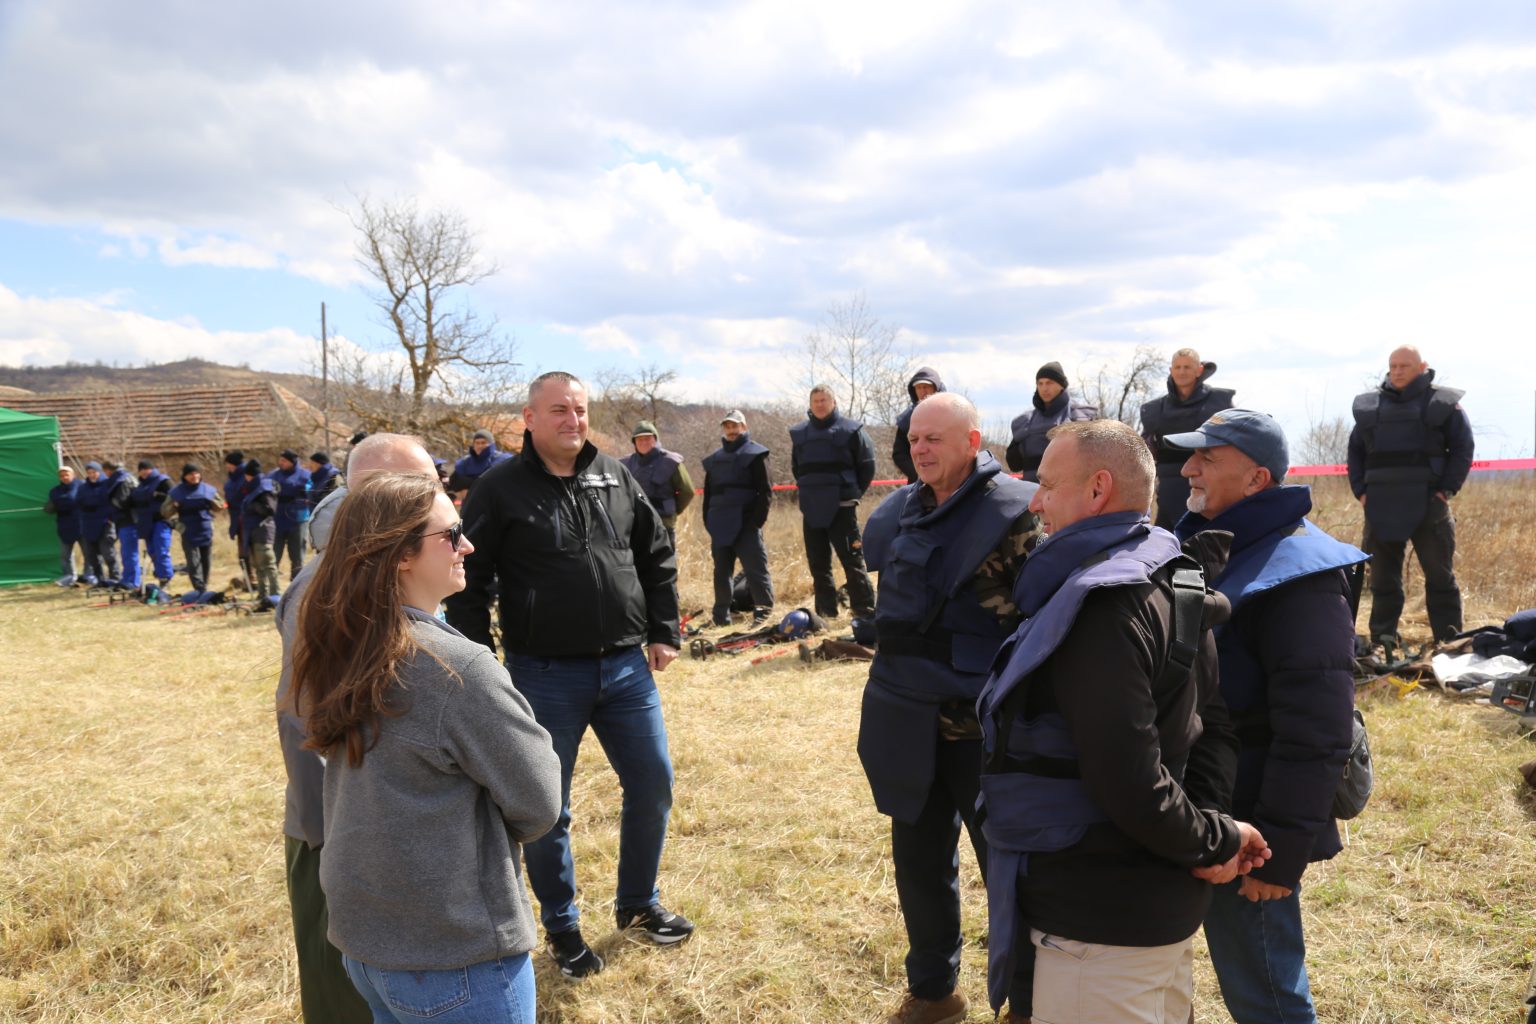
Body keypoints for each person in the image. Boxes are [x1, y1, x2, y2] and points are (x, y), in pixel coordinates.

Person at [976, 418, 1270, 1022]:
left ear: (1097, 489)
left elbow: (1128, 779)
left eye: (1047, 485)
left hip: (1097, 932)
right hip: (1155, 911)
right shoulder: (1174, 576)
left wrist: (1212, 841)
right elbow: (1214, 727)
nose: (1034, 502)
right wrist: (1207, 838)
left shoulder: (1102, 607)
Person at [290, 472, 561, 1024]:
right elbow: (538, 803)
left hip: (366, 944)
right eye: (451, 533)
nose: (469, 545)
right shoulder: (457, 669)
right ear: (400, 556)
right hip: (453, 952)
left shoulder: (336, 644)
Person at [445, 370, 691, 979]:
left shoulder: (615, 474)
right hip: (544, 673)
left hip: (626, 668)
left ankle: (638, 904)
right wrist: (480, 663)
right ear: (529, 418)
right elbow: (467, 582)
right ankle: (562, 927)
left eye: (580, 409)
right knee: (546, 806)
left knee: (653, 784)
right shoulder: (499, 488)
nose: (573, 420)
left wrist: (664, 629)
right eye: (559, 410)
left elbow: (655, 552)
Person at [1168, 409, 1365, 1024]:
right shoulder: (1213, 545)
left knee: (1267, 995)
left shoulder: (1300, 576)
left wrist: (1277, 851)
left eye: (1207, 457)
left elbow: (1317, 728)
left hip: (1250, 824)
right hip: (1202, 804)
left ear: (1257, 479)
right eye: (1191, 455)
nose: (1189, 468)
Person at [859, 393, 1041, 1024]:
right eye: (914, 439)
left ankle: (1028, 1002)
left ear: (972, 441)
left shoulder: (1019, 512)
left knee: (1009, 872)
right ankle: (935, 992)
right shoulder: (896, 513)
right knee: (918, 864)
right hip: (907, 721)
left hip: (986, 729)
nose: (921, 448)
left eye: (935, 437)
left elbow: (1044, 620)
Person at [276, 433, 441, 1024]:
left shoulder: (394, 566)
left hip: (382, 825)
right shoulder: (330, 587)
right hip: (339, 830)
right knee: (348, 996)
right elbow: (328, 723)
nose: (432, 496)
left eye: (433, 483)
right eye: (416, 485)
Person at [1348, 345, 1474, 644]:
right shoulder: (1370, 407)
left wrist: (1446, 491)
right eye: (1393, 365)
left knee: (1440, 577)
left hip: (1429, 503)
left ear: (1422, 367)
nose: (1397, 371)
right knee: (1382, 580)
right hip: (1380, 504)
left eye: (1404, 365)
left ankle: (1449, 642)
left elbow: (1463, 448)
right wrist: (1361, 492)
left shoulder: (1442, 404)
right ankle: (1383, 640)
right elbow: (1355, 453)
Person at [789, 384, 877, 623]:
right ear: (810, 404)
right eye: (815, 401)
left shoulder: (852, 430)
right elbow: (797, 468)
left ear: (834, 402)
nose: (820, 404)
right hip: (811, 507)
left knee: (852, 561)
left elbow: (867, 466)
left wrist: (852, 493)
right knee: (818, 564)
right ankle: (826, 613)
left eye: (824, 400)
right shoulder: (800, 434)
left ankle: (865, 611)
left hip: (843, 507)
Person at [1138, 348, 1236, 529]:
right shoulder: (1155, 409)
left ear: (1199, 370)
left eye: (1187, 367)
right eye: (1178, 367)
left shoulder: (1219, 402)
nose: (1182, 372)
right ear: (1171, 370)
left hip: (1211, 483)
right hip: (1169, 486)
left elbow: (1235, 439)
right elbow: (1146, 449)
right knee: (1168, 539)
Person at [701, 410, 774, 626]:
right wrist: (708, 521)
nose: (731, 430)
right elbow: (708, 494)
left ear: (744, 427)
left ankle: (763, 616)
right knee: (721, 573)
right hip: (719, 524)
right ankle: (721, 619)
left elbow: (766, 491)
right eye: (728, 426)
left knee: (756, 571)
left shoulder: (756, 454)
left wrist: (755, 522)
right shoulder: (714, 460)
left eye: (735, 426)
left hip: (746, 525)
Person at [1005, 362, 1098, 482]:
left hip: (1069, 488)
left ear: (1061, 385)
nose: (1044, 388)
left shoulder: (1082, 418)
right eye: (1040, 383)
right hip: (1032, 490)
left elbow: (1094, 461)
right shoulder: (1024, 422)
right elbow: (1014, 465)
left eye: (1049, 383)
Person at [620, 420, 695, 549]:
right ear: (634, 442)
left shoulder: (670, 462)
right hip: (635, 526)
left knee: (665, 561)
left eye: (647, 439)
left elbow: (687, 491)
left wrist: (673, 510)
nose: (643, 442)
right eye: (639, 439)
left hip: (663, 524)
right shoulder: (625, 464)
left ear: (655, 439)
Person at [167, 463, 225, 593]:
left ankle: (205, 585)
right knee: (193, 560)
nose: (194, 476)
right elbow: (164, 512)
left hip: (205, 528)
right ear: (185, 476)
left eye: (196, 473)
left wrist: (213, 503)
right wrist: (174, 506)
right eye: (191, 474)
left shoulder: (208, 490)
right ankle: (199, 588)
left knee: (206, 559)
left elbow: (221, 506)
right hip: (188, 529)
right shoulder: (176, 492)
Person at [892, 367, 945, 484]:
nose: (922, 391)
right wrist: (919, 473)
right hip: (919, 483)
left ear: (936, 388)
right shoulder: (907, 420)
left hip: (951, 481)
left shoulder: (952, 413)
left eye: (926, 387)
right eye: (918, 388)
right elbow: (899, 454)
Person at [130, 459, 175, 590]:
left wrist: (158, 495)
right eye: (141, 470)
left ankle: (165, 578)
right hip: (145, 522)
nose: (144, 472)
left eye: (146, 469)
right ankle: (160, 575)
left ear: (152, 469)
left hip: (161, 521)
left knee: (161, 549)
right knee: (152, 551)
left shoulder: (163, 481)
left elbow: (174, 496)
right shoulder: (139, 486)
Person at [241, 459, 280, 603]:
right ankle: (262, 594)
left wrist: (253, 506)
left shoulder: (264, 488)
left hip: (263, 531)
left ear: (249, 475)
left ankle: (275, 594)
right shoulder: (253, 487)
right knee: (258, 566)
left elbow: (270, 510)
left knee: (268, 563)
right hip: (252, 531)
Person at [272, 449, 312, 585]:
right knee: (275, 552)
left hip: (297, 519)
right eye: (280, 460)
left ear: (292, 462)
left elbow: (311, 494)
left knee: (297, 553)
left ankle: (297, 582)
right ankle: (272, 584)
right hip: (278, 518)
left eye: (284, 461)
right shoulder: (273, 475)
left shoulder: (305, 476)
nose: (281, 463)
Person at [76, 461, 120, 586]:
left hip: (105, 523)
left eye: (94, 472)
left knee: (108, 553)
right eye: (89, 473)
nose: (92, 475)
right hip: (88, 524)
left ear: (99, 472)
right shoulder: (83, 487)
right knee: (92, 555)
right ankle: (100, 580)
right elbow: (79, 503)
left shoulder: (108, 484)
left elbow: (113, 502)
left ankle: (115, 579)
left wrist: (110, 517)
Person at [101, 460, 138, 591]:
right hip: (124, 521)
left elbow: (122, 502)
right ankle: (127, 579)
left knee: (129, 553)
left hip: (128, 520)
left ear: (108, 470)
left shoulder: (122, 480)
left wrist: (109, 507)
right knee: (126, 552)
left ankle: (132, 581)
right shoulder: (122, 479)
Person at [44, 465, 83, 586]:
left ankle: (89, 576)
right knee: (65, 555)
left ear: (73, 475)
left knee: (89, 554)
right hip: (64, 525)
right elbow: (50, 508)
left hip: (82, 524)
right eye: (62, 476)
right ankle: (69, 577)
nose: (65, 477)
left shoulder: (82, 486)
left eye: (67, 475)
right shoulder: (55, 491)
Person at [448, 428, 513, 498]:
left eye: (483, 443)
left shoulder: (503, 460)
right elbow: (453, 485)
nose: (480, 446)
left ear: (491, 444)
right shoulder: (464, 463)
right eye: (477, 443)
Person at [223, 451, 252, 587]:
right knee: (242, 552)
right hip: (236, 519)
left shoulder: (246, 478)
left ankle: (252, 579)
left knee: (249, 551)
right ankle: (248, 578)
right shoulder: (231, 480)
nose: (227, 467)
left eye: (228, 464)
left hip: (247, 519)